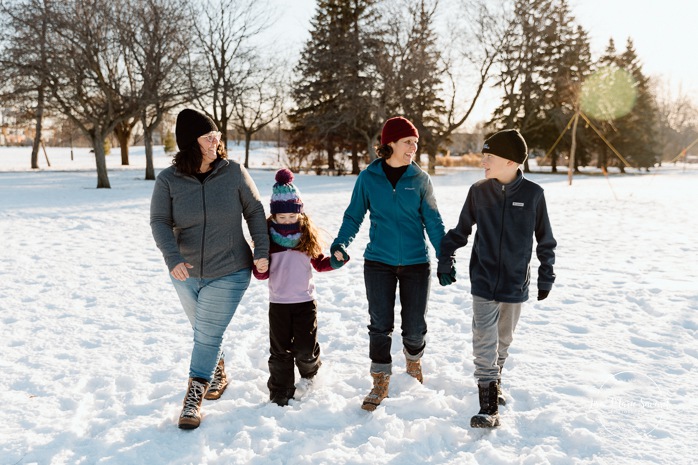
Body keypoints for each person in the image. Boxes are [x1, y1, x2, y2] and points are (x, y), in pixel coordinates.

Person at [150, 108, 270, 429]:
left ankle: (194, 396)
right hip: (185, 273)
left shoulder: (234, 172)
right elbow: (160, 222)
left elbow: (256, 212)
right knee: (204, 330)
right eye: (208, 136)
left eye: (217, 134)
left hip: (230, 269)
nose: (216, 140)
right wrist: (172, 259)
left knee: (206, 334)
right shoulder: (168, 181)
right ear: (192, 143)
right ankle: (216, 369)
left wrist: (261, 250)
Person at [438, 129, 557, 428]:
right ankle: (488, 406)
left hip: (516, 282)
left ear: (511, 161)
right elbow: (461, 229)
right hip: (483, 279)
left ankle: (496, 378)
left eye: (488, 157)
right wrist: (446, 255)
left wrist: (546, 275)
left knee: (503, 340)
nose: (483, 163)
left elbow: (545, 240)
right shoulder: (479, 191)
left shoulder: (533, 195)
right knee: (483, 341)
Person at [331, 116, 445, 411]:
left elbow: (433, 220)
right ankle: (380, 378)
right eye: (408, 142)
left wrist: (445, 254)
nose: (413, 149)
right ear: (390, 143)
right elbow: (353, 216)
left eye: (416, 144)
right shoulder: (368, 178)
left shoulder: (420, 180)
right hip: (378, 262)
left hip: (416, 262)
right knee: (380, 325)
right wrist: (341, 243)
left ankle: (414, 361)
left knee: (415, 328)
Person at [253, 169, 346, 407]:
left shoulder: (306, 238)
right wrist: (260, 267)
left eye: (291, 217)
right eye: (281, 217)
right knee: (280, 351)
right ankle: (280, 391)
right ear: (273, 217)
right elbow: (260, 273)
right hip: (279, 304)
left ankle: (311, 372)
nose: (286, 221)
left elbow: (320, 263)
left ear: (300, 214)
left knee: (305, 349)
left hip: (305, 302)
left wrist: (335, 261)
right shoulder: (268, 241)